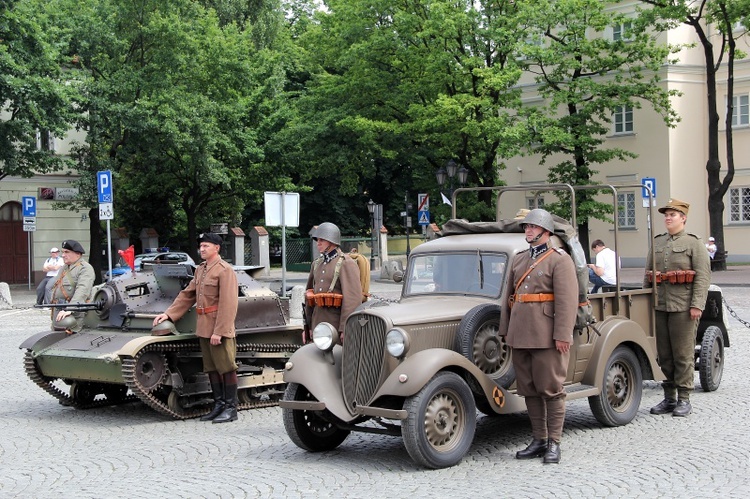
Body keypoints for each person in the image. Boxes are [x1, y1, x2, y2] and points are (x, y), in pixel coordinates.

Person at [499, 209, 578, 464]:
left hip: (547, 335)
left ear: (546, 231)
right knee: (529, 390)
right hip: (521, 334)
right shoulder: (519, 259)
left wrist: (563, 334)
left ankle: (554, 442)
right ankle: (538, 439)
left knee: (551, 389)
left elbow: (567, 301)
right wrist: (505, 330)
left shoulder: (559, 260)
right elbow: (509, 298)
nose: (528, 231)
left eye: (533, 227)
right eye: (526, 227)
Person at [153, 233, 239, 424]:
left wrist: (220, 331)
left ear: (217, 248)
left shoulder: (224, 270)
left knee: (226, 367)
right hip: (204, 326)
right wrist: (169, 314)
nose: (202, 249)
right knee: (211, 368)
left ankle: (231, 408)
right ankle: (218, 405)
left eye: (206, 246)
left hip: (219, 327)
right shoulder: (201, 270)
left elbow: (229, 304)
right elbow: (187, 295)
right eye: (201, 246)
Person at [644, 198, 711, 417]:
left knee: (683, 354)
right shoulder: (658, 242)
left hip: (683, 307)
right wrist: (647, 304)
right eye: (666, 215)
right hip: (660, 305)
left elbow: (702, 277)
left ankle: (684, 398)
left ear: (683, 218)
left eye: (672, 215)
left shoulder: (694, 243)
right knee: (664, 355)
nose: (668, 218)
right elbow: (648, 275)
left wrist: (697, 305)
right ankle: (669, 397)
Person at [304, 222, 362, 342]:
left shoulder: (346, 263)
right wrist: (308, 326)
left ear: (332, 241)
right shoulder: (317, 263)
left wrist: (345, 327)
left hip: (334, 326)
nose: (318, 243)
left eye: (322, 240)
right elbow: (310, 296)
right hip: (317, 325)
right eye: (317, 240)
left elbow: (352, 299)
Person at [49, 240, 96, 333]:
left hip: (74, 316)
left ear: (78, 254)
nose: (63, 255)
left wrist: (70, 308)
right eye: (63, 252)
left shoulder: (85, 268)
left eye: (67, 252)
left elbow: (82, 290)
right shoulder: (65, 268)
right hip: (59, 313)